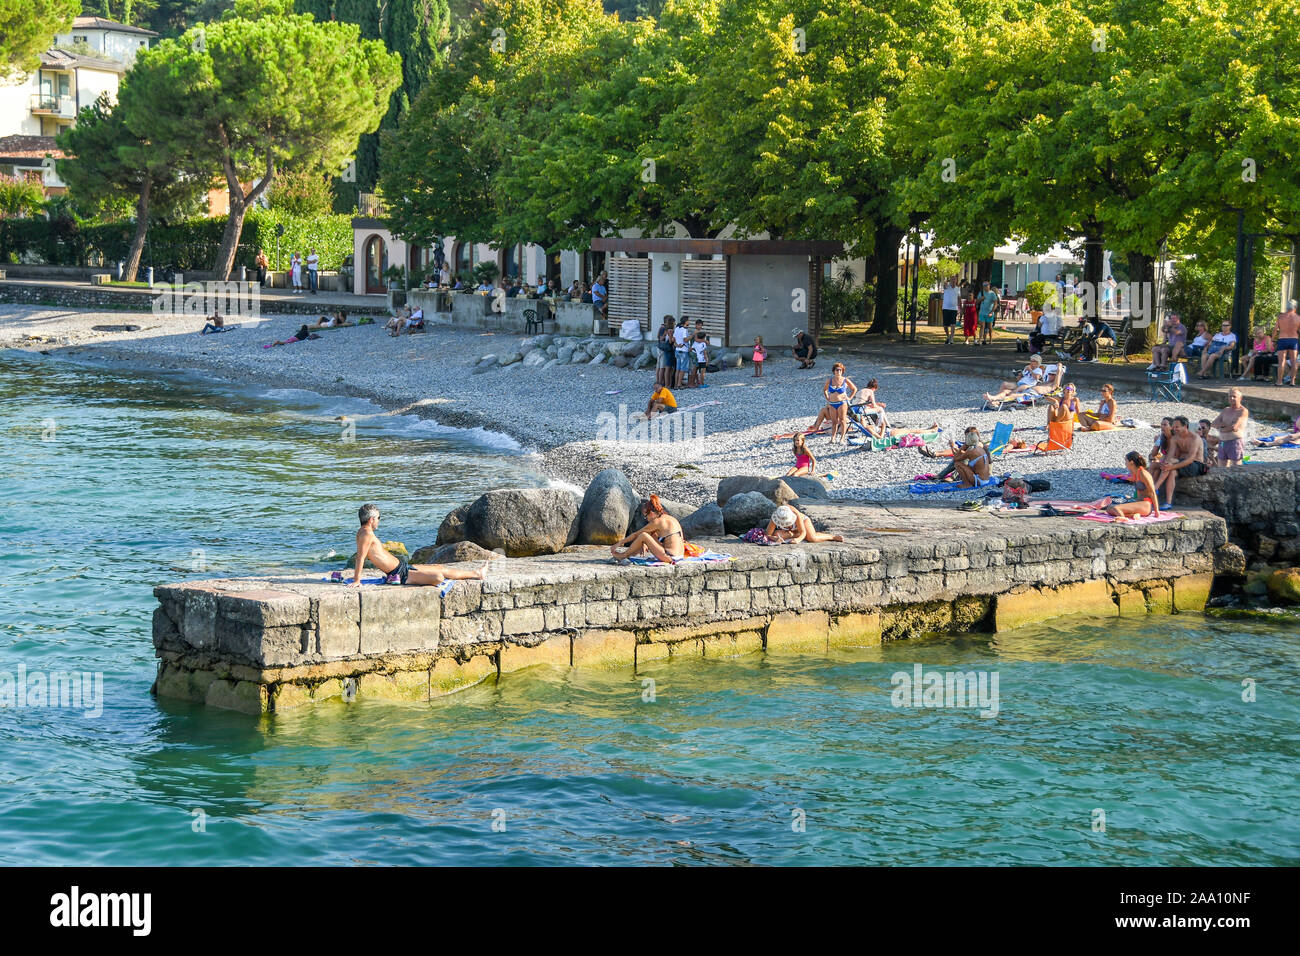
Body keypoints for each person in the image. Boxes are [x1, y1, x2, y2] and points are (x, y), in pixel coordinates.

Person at [350, 504, 485, 586]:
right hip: (400, 576)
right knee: (438, 577)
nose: (379, 521)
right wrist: (357, 580)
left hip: (401, 568)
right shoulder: (366, 534)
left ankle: (476, 573)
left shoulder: (362, 532)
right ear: (371, 519)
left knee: (439, 567)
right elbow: (360, 558)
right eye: (378, 518)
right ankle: (476, 573)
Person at [611, 495, 685, 563]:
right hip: (680, 556)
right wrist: (644, 544)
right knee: (650, 533)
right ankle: (631, 554)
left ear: (652, 513)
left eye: (646, 516)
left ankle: (624, 555)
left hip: (670, 557)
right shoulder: (670, 518)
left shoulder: (657, 521)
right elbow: (653, 535)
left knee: (643, 535)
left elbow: (636, 534)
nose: (646, 519)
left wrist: (619, 543)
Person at [1152, 416, 1207, 508]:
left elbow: (1191, 459)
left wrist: (1171, 466)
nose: (1174, 429)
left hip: (1197, 465)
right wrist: (1166, 464)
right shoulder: (1175, 438)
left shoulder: (1195, 438)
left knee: (1171, 466)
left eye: (1177, 427)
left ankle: (1155, 488)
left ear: (1185, 426)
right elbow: (1170, 455)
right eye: (1173, 426)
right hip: (1182, 462)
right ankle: (1168, 503)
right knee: (1171, 470)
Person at [1094, 453, 1161, 521]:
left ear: (1131, 462)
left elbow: (1153, 492)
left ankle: (1123, 518)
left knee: (1116, 508)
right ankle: (1131, 515)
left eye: (1126, 461)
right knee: (1109, 508)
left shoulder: (1143, 474)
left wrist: (1156, 511)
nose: (1125, 463)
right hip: (1138, 502)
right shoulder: (1134, 473)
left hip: (1146, 504)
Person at [812, 362, 857, 443]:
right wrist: (827, 398)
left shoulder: (845, 380)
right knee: (834, 421)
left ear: (842, 371)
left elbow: (854, 389)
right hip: (832, 404)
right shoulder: (830, 380)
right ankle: (833, 438)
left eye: (840, 370)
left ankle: (842, 438)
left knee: (843, 420)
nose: (838, 371)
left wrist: (849, 398)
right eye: (837, 370)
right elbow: (824, 390)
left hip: (842, 403)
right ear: (834, 371)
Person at [762, 504, 844, 543]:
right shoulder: (775, 517)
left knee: (812, 538)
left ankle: (832, 537)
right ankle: (794, 534)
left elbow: (803, 532)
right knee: (776, 534)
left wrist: (798, 539)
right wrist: (775, 538)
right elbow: (767, 534)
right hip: (790, 532)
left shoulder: (796, 514)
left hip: (803, 522)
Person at [1210, 388, 1250, 467]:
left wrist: (1221, 427)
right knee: (1222, 468)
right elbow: (1213, 423)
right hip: (1222, 442)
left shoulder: (1243, 411)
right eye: (1230, 396)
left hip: (1234, 442)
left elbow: (1234, 427)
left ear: (1240, 398)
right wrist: (1224, 426)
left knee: (1236, 468)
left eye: (1234, 396)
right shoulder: (1226, 410)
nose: (1231, 398)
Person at [1276, 300, 1300, 386]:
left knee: (1281, 362)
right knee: (1294, 362)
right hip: (1294, 340)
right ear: (1295, 308)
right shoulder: (1298, 318)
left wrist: (1272, 340)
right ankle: (1292, 381)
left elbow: (1275, 330)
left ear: (1286, 307)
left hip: (1282, 339)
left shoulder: (1281, 317)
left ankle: (1279, 381)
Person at [655, 315, 676, 387]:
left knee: (659, 366)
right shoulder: (669, 330)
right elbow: (670, 341)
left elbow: (659, 337)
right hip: (666, 350)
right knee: (664, 367)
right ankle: (665, 383)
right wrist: (673, 339)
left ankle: (659, 382)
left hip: (660, 348)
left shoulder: (663, 328)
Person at [977, 280, 999, 344]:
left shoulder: (992, 293)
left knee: (990, 327)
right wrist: (981, 299)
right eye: (984, 286)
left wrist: (992, 312)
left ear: (989, 286)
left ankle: (990, 340)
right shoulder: (981, 293)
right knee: (982, 326)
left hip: (989, 312)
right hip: (982, 312)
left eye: (987, 285)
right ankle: (980, 340)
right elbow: (977, 302)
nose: (985, 287)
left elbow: (995, 303)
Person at [941, 275, 960, 345]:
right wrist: (945, 282)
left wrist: (960, 308)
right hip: (945, 308)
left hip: (954, 308)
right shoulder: (947, 287)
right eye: (952, 279)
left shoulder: (958, 289)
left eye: (955, 279)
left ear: (956, 280)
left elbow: (959, 298)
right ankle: (948, 336)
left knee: (953, 324)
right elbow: (944, 285)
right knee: (945, 325)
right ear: (950, 280)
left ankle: (951, 338)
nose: (953, 281)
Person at [673, 317, 691, 388]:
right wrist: (692, 335)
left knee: (677, 368)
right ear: (685, 322)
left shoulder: (677, 328)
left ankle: (675, 384)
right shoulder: (684, 329)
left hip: (677, 350)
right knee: (682, 369)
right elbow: (685, 340)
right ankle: (679, 384)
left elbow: (673, 339)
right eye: (688, 320)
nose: (689, 322)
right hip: (684, 350)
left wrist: (677, 345)